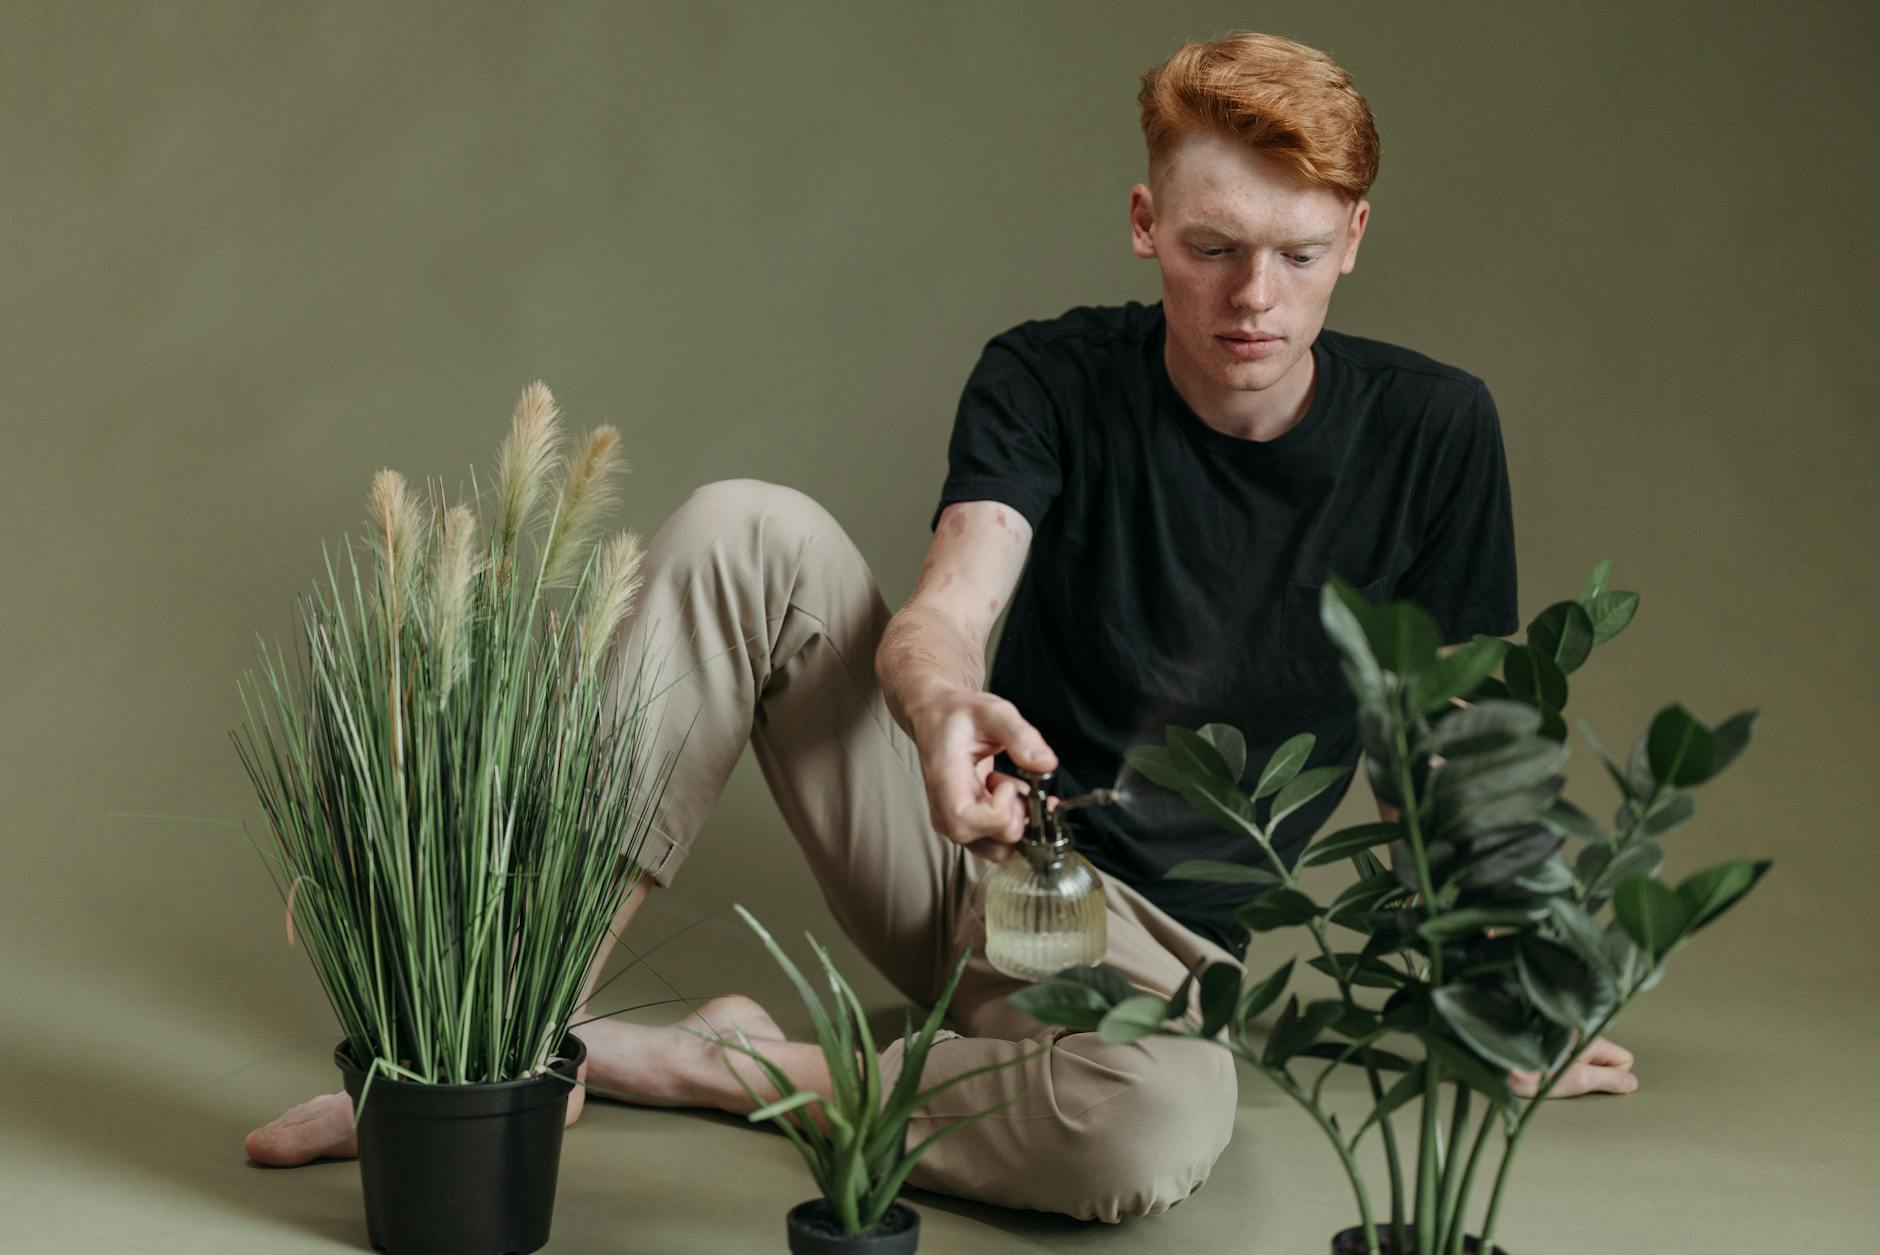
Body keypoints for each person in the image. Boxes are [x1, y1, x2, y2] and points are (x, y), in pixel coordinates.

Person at [244, 30, 1637, 1220]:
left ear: (1357, 237)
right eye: (1212, 246)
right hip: (969, 851)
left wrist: (1499, 995)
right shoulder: (1049, 375)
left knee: (1143, 1129)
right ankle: (491, 1064)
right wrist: (941, 705)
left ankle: (692, 1061)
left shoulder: (1436, 429)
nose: (1253, 297)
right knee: (746, 526)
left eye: (1298, 251)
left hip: (1155, 968)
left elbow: (1453, 749)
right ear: (1148, 223)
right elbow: (952, 600)